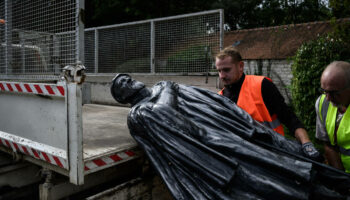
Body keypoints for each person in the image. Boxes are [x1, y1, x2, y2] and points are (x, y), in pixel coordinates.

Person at [110, 74, 350, 200]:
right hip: (217, 151)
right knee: (282, 178)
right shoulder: (140, 112)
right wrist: (168, 89)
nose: (128, 81)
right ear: (123, 97)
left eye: (127, 77)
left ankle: (340, 185)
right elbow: (167, 115)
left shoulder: (163, 88)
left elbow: (214, 101)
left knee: (292, 159)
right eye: (122, 85)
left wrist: (245, 123)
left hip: (238, 132)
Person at [215, 46, 321, 161]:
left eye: (226, 70)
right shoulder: (219, 97)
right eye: (219, 71)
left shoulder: (261, 85)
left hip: (273, 155)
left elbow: (289, 118)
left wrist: (306, 144)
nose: (222, 76)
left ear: (240, 66)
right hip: (242, 158)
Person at [315, 61, 350, 173]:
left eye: (334, 93)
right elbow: (329, 145)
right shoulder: (322, 103)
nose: (328, 98)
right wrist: (341, 180)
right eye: (324, 91)